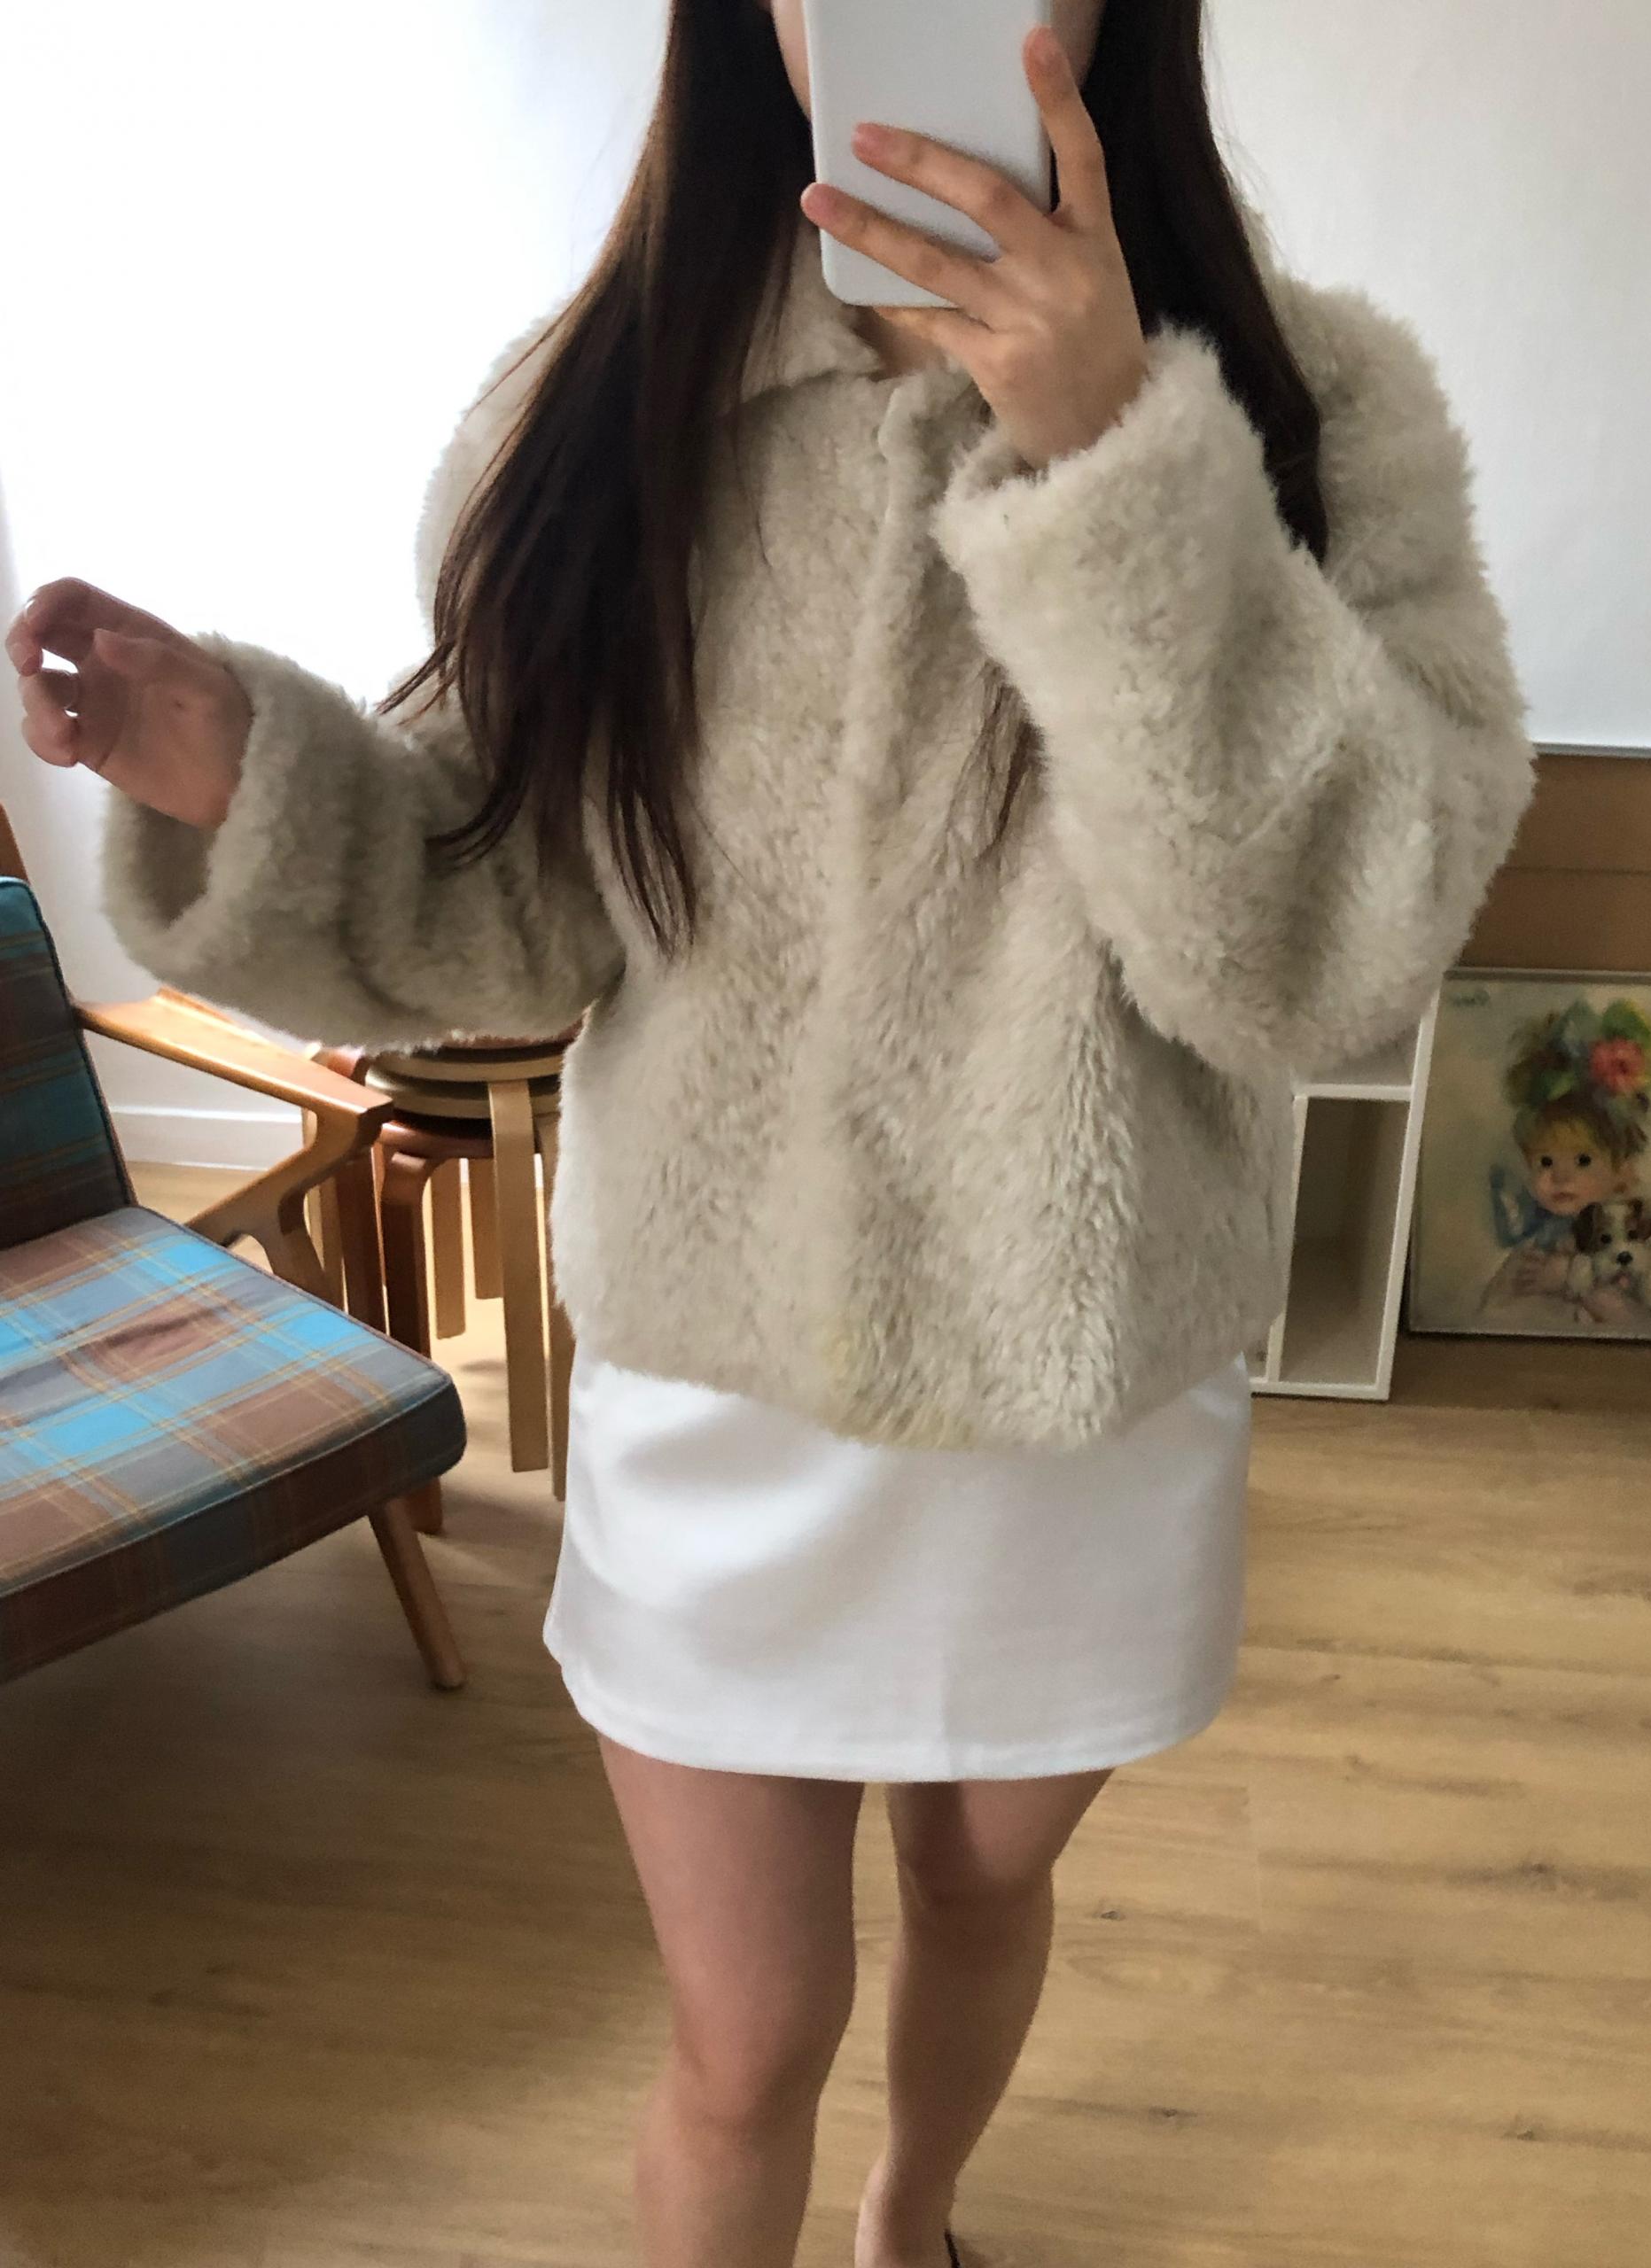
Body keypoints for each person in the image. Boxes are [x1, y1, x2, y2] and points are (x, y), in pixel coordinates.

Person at [7, 1, 1538, 2260]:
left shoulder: (1324, 405)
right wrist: (250, 775)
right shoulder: (599, 409)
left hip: (1085, 1383)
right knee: (742, 2033)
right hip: (722, 1380)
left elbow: (1330, 962)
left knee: (982, 1887)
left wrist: (1119, 452)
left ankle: (913, 2216)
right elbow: (507, 901)